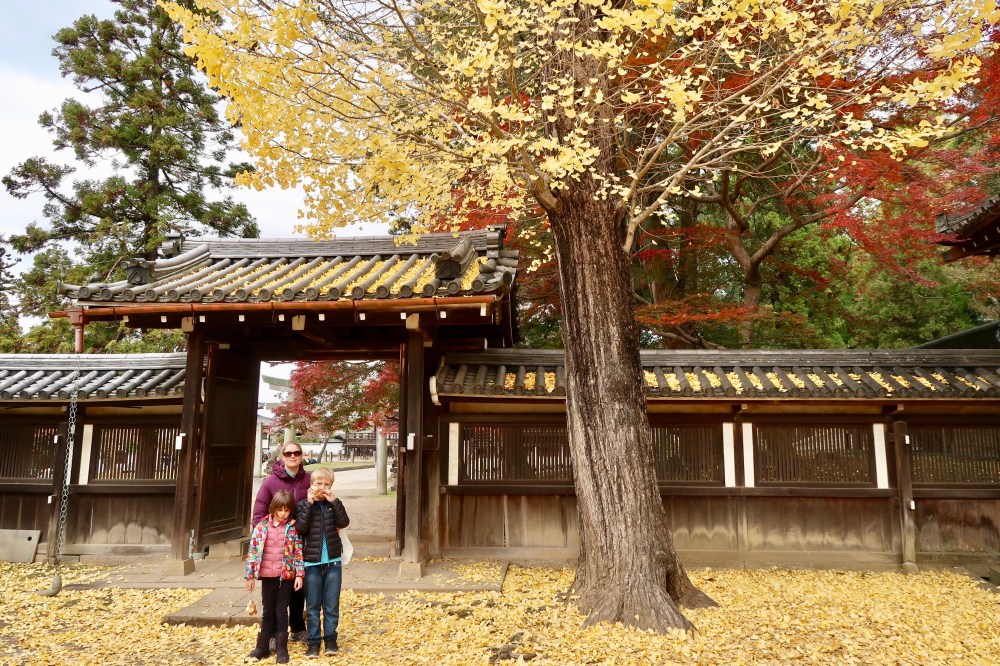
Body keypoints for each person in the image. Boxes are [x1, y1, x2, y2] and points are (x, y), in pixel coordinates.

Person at [252, 440, 311, 642]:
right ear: (282, 456)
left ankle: (297, 627)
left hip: (302, 542)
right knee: (273, 592)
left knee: (298, 587)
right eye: (288, 453)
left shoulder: (309, 480)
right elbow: (259, 513)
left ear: (302, 455)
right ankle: (271, 633)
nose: (293, 456)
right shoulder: (270, 482)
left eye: (297, 452)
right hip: (276, 545)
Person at [296, 466, 350, 657]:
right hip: (311, 563)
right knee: (312, 605)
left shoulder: (333, 504)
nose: (322, 487)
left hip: (333, 561)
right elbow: (301, 528)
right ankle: (313, 642)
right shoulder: (303, 505)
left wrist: (334, 502)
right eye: (318, 483)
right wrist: (309, 505)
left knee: (331, 604)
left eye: (326, 484)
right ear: (311, 485)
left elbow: (344, 522)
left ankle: (331, 640)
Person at [245, 490, 305, 664]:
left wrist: (299, 575)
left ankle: (281, 648)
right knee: (267, 611)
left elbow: (298, 553)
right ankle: (262, 646)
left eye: (287, 510)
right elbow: (253, 552)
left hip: (285, 576)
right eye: (280, 510)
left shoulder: (292, 529)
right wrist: (250, 576)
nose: (283, 514)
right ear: (273, 509)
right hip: (267, 576)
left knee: (281, 612)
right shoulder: (262, 526)